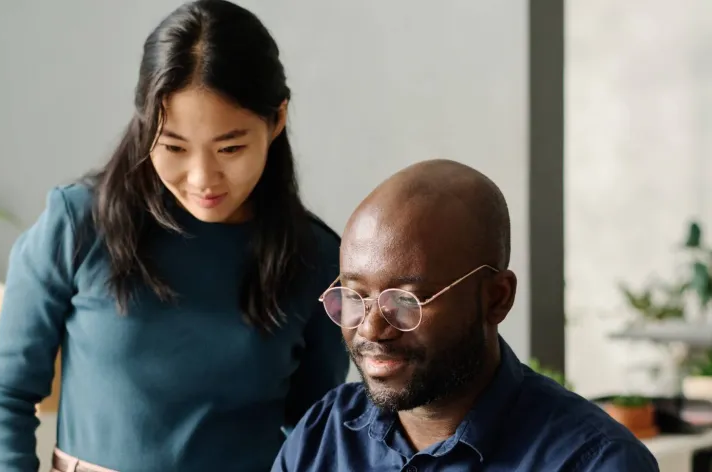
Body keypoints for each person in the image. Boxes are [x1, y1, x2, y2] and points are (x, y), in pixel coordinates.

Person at [0, 1, 349, 471]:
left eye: (230, 148)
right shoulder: (77, 224)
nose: (202, 179)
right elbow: (7, 395)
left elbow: (316, 435)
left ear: (276, 121)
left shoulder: (316, 259)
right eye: (173, 146)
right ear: (144, 123)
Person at [272, 159, 659, 472]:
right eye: (355, 296)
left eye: (407, 302)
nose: (372, 328)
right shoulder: (324, 436)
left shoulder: (594, 461)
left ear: (496, 298)